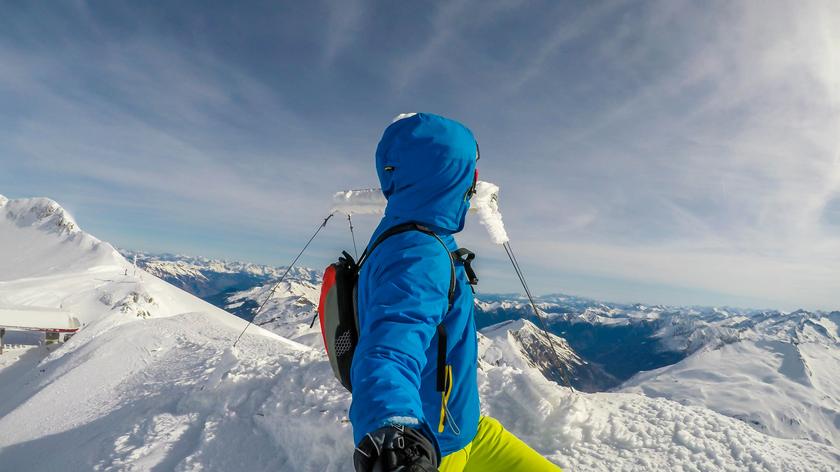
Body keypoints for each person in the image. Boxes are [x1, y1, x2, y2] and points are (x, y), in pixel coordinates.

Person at [351, 113, 561, 472]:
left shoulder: (412, 234)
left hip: (467, 430)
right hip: (438, 447)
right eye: (470, 169)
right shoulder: (420, 254)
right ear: (451, 173)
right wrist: (396, 428)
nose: (476, 180)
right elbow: (388, 350)